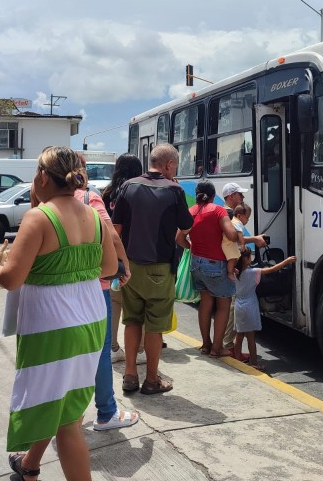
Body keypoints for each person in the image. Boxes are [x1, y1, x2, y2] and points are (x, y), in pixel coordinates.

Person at [0, 146, 118, 481]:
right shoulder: (92, 214)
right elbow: (110, 267)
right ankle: (29, 464)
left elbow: (11, 278)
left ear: (43, 176)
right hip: (89, 319)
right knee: (61, 403)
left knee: (67, 421)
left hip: (52, 326)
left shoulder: (39, 217)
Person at [112, 143, 193, 395]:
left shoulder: (128, 186)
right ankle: (152, 380)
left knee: (133, 321)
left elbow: (116, 232)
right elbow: (186, 226)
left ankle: (129, 375)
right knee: (155, 326)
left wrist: (121, 265)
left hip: (131, 268)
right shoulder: (175, 190)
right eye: (175, 166)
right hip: (160, 269)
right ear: (169, 165)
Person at [73, 156, 139, 432]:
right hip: (93, 285)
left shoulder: (45, 201)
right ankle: (106, 412)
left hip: (61, 288)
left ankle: (68, 415)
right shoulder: (89, 197)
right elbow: (111, 235)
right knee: (98, 351)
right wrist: (123, 266)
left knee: (70, 352)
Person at [177, 181, 240, 358]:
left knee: (205, 303)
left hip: (196, 263)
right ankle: (217, 348)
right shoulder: (218, 210)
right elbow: (231, 234)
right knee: (223, 304)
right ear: (213, 195)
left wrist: (192, 247)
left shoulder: (191, 211)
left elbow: (179, 239)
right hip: (216, 264)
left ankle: (206, 344)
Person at [101, 154, 144, 365]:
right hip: (135, 253)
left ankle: (113, 347)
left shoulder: (107, 193)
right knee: (137, 304)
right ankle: (141, 349)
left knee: (115, 302)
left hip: (113, 254)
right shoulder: (138, 191)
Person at [220, 183, 267, 358]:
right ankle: (228, 345)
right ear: (231, 196)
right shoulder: (228, 214)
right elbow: (232, 239)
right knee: (232, 306)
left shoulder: (230, 214)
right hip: (230, 264)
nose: (242, 198)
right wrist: (253, 239)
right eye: (240, 195)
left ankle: (229, 345)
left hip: (231, 263)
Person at [233, 249, 296, 370]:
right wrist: (286, 261)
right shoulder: (253, 272)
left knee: (239, 335)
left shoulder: (234, 273)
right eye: (249, 257)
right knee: (251, 337)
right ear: (246, 259)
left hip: (238, 305)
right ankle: (254, 363)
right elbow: (272, 270)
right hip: (250, 305)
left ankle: (237, 361)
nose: (251, 259)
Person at [221, 203, 250, 281]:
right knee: (232, 258)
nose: (248, 220)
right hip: (228, 244)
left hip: (230, 244)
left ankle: (232, 268)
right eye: (247, 218)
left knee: (236, 256)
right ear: (239, 216)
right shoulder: (237, 223)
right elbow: (240, 234)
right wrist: (242, 244)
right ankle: (230, 273)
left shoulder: (235, 221)